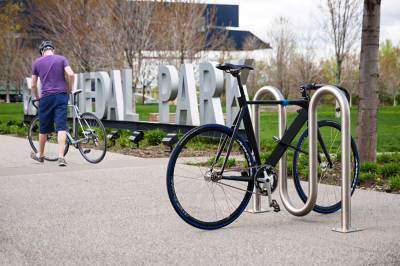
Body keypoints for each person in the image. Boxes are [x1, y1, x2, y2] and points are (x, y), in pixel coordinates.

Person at [30, 40, 75, 166]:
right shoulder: (61, 59)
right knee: (61, 127)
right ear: (52, 50)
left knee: (44, 128)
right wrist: (70, 89)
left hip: (46, 98)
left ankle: (40, 155)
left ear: (42, 52)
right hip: (61, 96)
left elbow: (33, 85)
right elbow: (71, 74)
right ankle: (61, 157)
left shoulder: (37, 62)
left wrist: (38, 97)